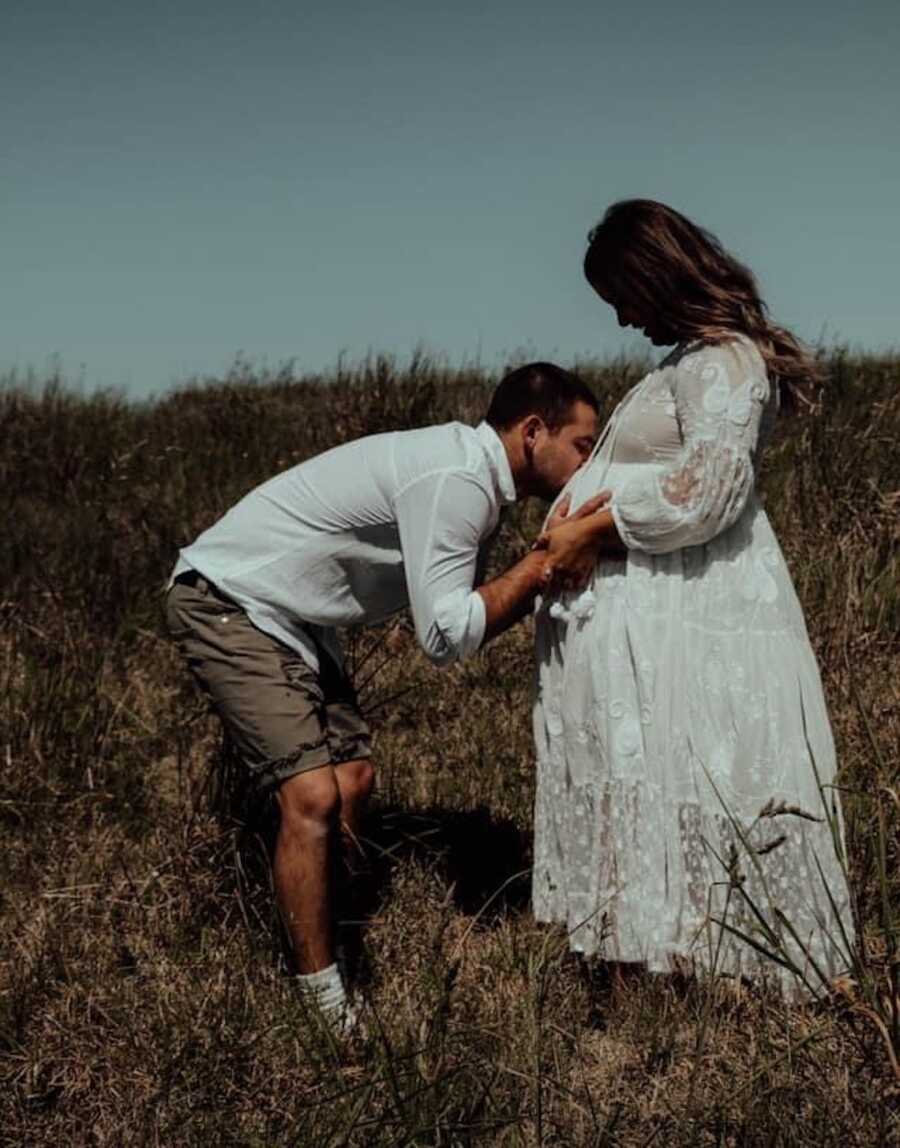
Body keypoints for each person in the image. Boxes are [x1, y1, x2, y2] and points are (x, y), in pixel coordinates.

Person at [166, 361, 606, 1032]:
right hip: (231, 597)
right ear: (533, 432)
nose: (587, 464)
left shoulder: (472, 478)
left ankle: (335, 931)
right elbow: (444, 634)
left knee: (354, 780)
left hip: (298, 618)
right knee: (311, 796)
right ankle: (323, 1006)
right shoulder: (457, 479)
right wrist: (544, 563)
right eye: (581, 446)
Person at [531, 200, 855, 997]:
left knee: (708, 777)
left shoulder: (722, 362)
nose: (619, 318)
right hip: (655, 613)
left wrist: (591, 531)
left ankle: (718, 979)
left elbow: (708, 489)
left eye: (619, 296)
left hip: (693, 611)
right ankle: (656, 965)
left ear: (652, 278)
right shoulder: (689, 362)